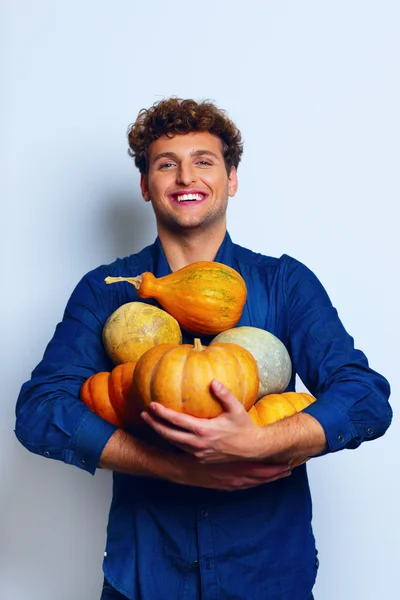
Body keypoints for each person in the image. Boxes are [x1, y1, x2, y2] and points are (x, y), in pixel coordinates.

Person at [15, 98, 392, 600]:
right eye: (166, 164)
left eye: (204, 161)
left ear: (232, 179)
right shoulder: (108, 291)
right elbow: (41, 411)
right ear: (146, 187)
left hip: (269, 577)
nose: (185, 176)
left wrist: (261, 443)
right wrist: (170, 465)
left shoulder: (284, 284)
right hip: (145, 579)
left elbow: (365, 398)